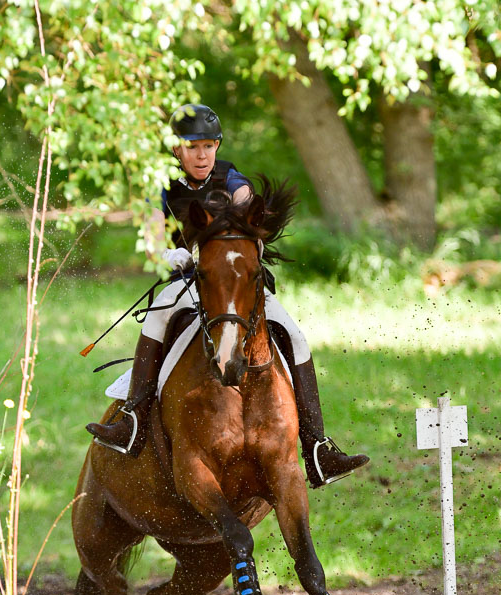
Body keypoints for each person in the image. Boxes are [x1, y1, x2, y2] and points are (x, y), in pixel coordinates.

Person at [86, 104, 369, 487]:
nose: (201, 156)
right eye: (192, 147)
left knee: (295, 335)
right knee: (157, 316)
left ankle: (318, 447)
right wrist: (170, 255)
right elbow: (151, 239)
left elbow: (243, 197)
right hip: (187, 279)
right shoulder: (161, 182)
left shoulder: (230, 176)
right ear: (176, 150)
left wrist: (243, 217)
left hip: (235, 283)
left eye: (208, 146)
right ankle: (132, 420)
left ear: (217, 147)